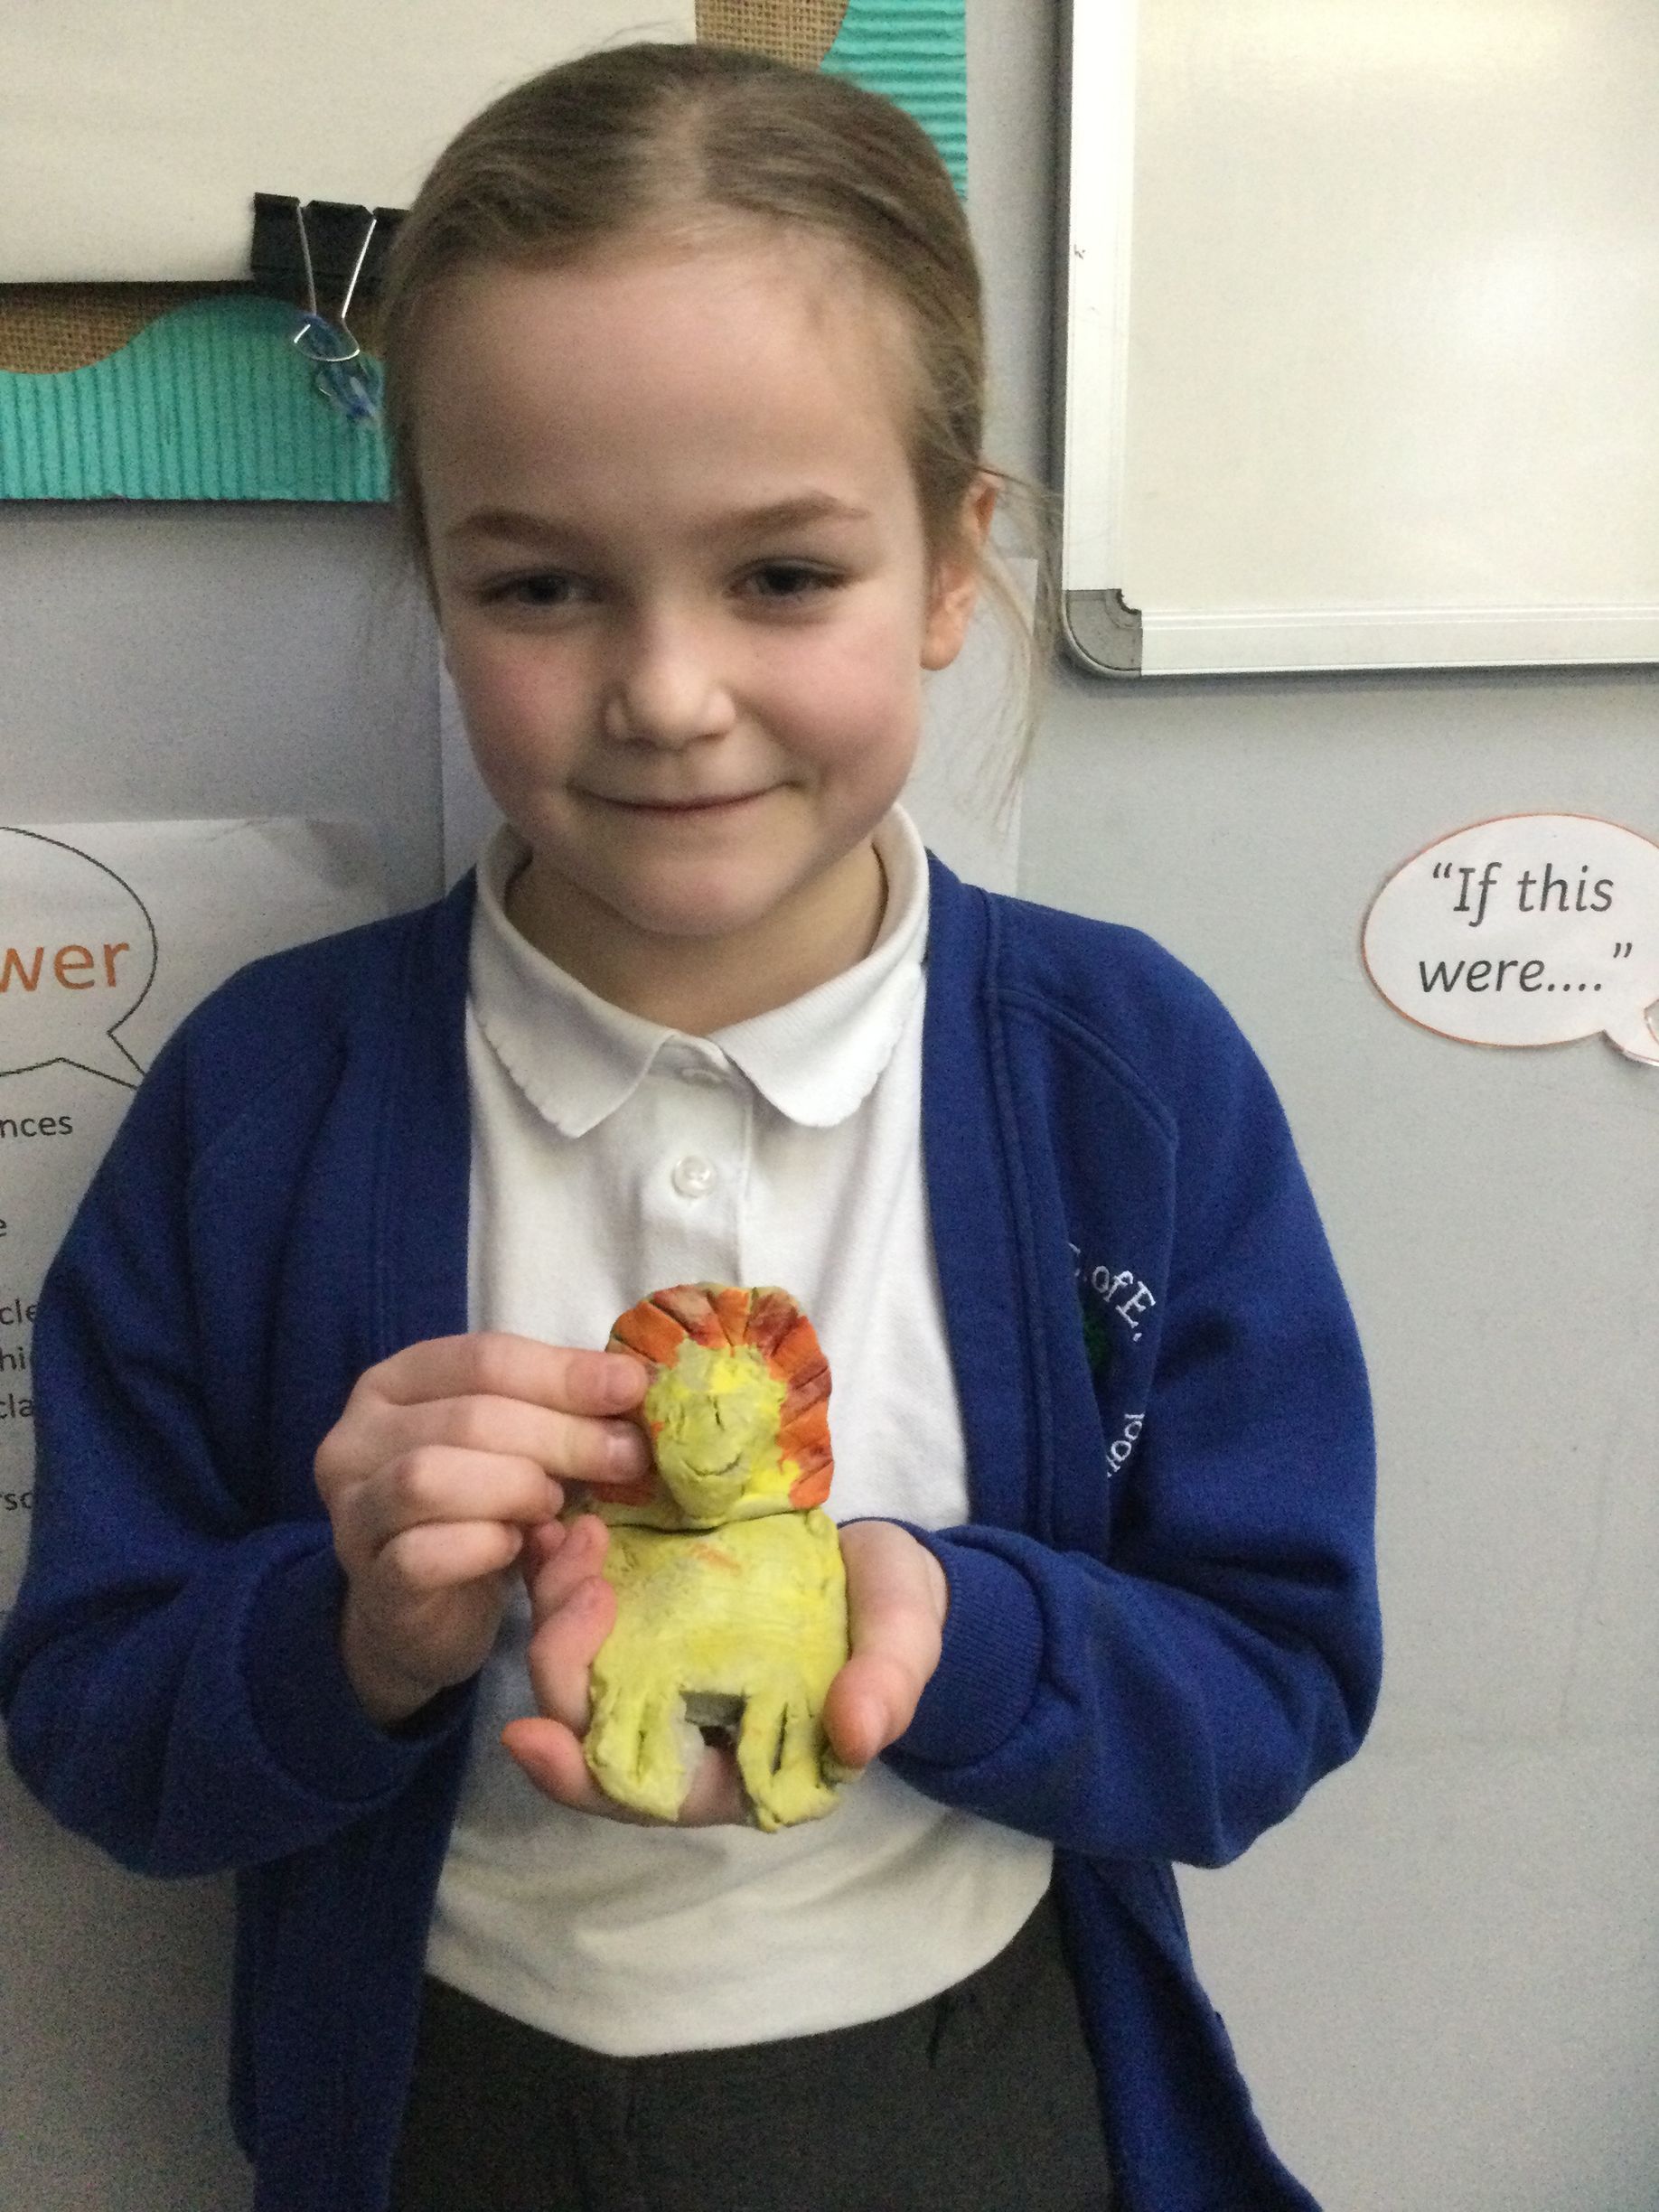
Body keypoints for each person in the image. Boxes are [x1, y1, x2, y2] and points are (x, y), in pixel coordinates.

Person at [0, 42, 1381, 2212]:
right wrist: (348, 1633)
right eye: (542, 587)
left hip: (976, 2094)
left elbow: (1278, 1678)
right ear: (436, 580)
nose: (665, 691)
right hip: (439, 2110)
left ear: (953, 567)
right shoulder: (269, 1098)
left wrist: (950, 1625)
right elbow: (96, 1728)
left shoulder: (1127, 1077)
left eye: (784, 576)